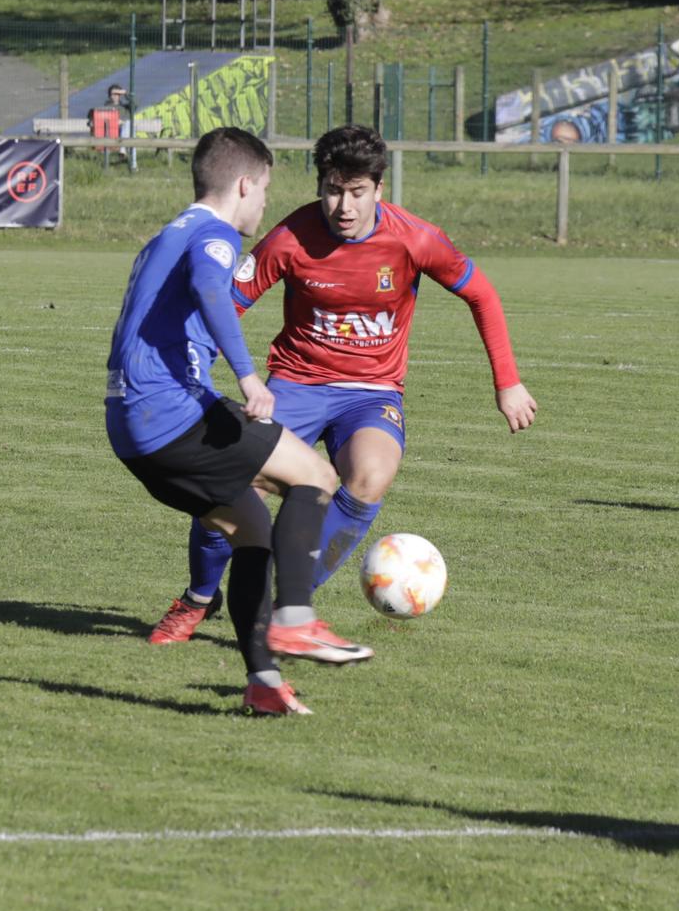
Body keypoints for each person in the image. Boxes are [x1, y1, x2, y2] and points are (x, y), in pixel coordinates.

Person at [148, 124, 537, 646]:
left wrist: (507, 383)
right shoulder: (289, 239)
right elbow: (229, 305)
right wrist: (189, 373)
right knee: (230, 481)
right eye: (333, 190)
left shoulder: (414, 238)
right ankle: (198, 596)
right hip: (295, 383)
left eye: (357, 192)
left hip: (372, 393)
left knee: (371, 473)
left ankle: (290, 609)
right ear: (319, 187)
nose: (344, 206)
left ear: (379, 188)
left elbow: (482, 294)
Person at [107, 127, 369, 717]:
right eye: (266, 189)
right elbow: (209, 286)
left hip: (131, 429)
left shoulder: (164, 236)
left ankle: (263, 682)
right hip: (170, 412)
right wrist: (250, 377)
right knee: (319, 479)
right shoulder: (216, 235)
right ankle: (297, 620)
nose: (265, 203)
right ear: (245, 184)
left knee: (252, 532)